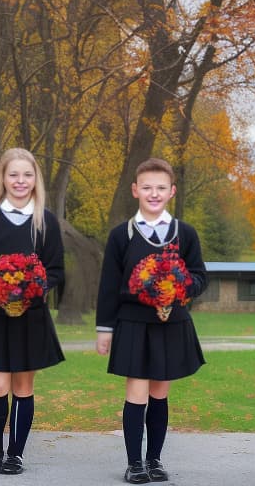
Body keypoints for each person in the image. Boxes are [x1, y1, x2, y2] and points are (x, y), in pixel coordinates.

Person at [96, 158, 208, 484]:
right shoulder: (122, 235)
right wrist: (105, 330)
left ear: (171, 191)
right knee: (137, 394)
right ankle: (134, 464)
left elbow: (200, 276)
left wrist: (181, 288)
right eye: (147, 187)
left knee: (159, 394)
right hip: (133, 323)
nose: (153, 193)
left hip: (172, 324)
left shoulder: (184, 234)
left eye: (160, 188)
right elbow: (108, 286)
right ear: (135, 190)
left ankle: (154, 459)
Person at [0, 147, 65, 475]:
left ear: (35, 178)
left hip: (31, 316)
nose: (20, 181)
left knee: (23, 387)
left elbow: (55, 270)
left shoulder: (45, 220)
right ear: (3, 178)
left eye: (27, 174)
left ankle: (15, 454)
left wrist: (30, 290)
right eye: (13, 174)